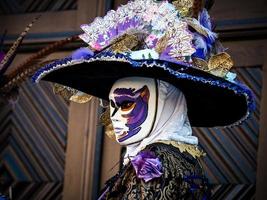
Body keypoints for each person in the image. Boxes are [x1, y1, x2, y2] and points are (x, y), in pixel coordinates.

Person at [32, 0, 255, 199]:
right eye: (111, 105)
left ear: (166, 101)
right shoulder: (171, 156)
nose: (114, 117)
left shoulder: (157, 166)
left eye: (126, 103)